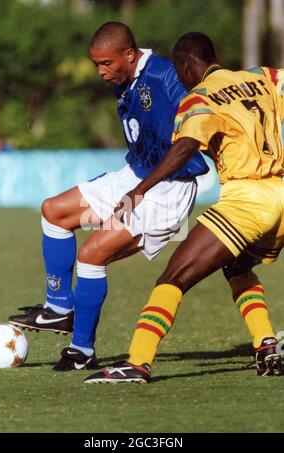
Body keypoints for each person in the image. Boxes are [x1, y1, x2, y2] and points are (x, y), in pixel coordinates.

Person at [84, 32, 284, 384]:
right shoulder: (261, 76)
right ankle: (266, 342)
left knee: (172, 278)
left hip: (247, 201)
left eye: (180, 71)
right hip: (280, 193)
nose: (179, 79)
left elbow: (184, 148)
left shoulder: (199, 97)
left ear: (187, 65)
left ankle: (137, 363)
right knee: (237, 266)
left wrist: (139, 191)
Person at [8, 23, 208, 371]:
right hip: (134, 176)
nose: (101, 72)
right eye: (97, 64)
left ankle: (81, 351)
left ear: (129, 55)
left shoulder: (164, 75)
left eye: (106, 63)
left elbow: (198, 124)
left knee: (92, 253)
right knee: (54, 211)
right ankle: (58, 309)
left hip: (166, 190)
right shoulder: (124, 78)